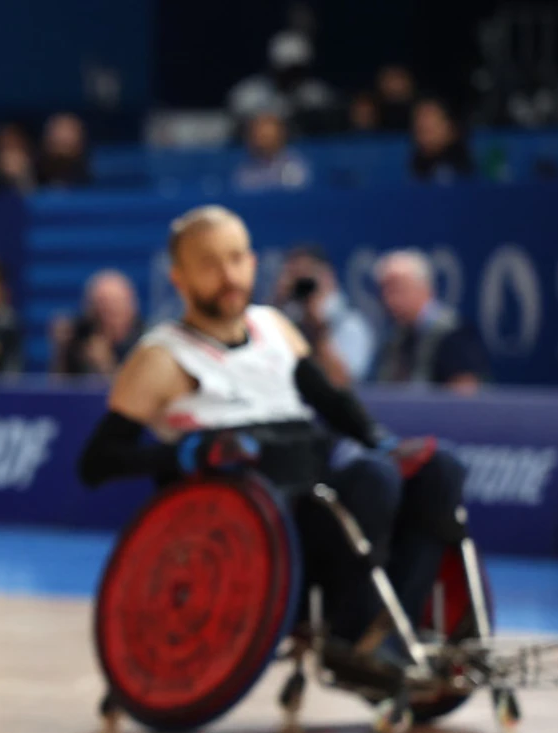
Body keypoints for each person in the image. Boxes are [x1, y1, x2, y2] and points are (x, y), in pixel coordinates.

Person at [77, 205, 467, 673]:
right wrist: (183, 452)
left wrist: (380, 439)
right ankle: (352, 633)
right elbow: (96, 463)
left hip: (316, 473)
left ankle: (388, 633)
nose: (228, 275)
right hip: (254, 514)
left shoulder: (274, 327)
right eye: (210, 263)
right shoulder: (161, 356)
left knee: (439, 469)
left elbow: (331, 401)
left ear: (254, 262)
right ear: (179, 278)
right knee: (372, 479)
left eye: (237, 258)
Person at [373, 248, 488, 392]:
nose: (389, 300)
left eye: (397, 289)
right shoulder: (395, 341)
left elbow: (466, 398)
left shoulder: (455, 336)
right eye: (384, 291)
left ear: (425, 288)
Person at [275, 244, 374, 385]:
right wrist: (278, 301)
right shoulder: (280, 319)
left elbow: (344, 383)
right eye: (295, 275)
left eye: (307, 275)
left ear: (327, 276)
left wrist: (317, 329)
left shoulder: (350, 325)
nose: (302, 284)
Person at [227, 31, 337, 135]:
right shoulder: (248, 94)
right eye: (287, 71)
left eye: (297, 70)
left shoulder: (317, 94)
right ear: (273, 66)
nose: (292, 77)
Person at [53, 269, 139, 378]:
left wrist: (106, 364)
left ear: (131, 307)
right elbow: (59, 387)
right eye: (103, 308)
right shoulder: (81, 337)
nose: (110, 314)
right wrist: (61, 350)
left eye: (116, 305)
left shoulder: (145, 342)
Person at [232, 112, 310, 192]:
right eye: (258, 136)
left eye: (266, 137)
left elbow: (298, 195)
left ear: (280, 137)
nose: (261, 142)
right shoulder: (245, 169)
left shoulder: (294, 165)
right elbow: (242, 194)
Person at [409, 98, 474, 182]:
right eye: (421, 129)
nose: (424, 122)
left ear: (450, 127)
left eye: (431, 129)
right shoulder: (412, 168)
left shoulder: (464, 166)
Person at [37, 113, 92, 189]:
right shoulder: (30, 177)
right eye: (57, 129)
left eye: (70, 130)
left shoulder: (92, 182)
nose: (63, 136)